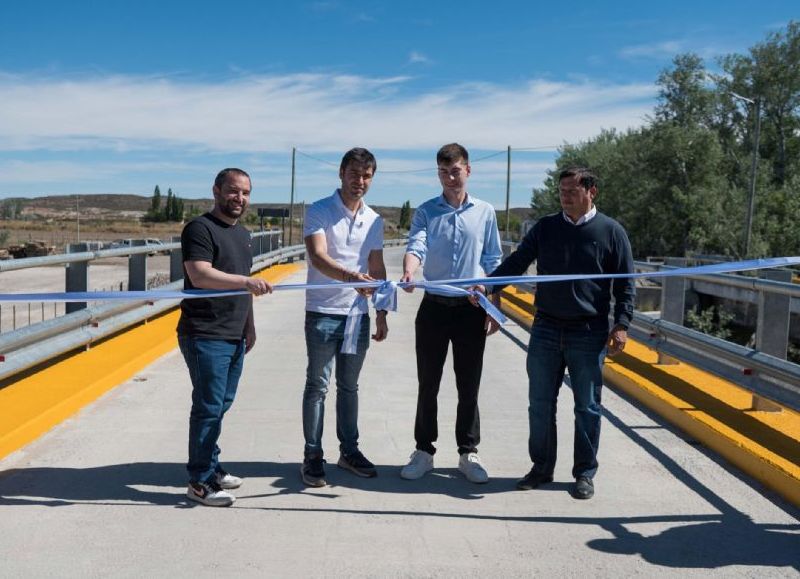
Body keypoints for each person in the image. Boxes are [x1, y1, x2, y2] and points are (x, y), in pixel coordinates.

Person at [489, 167, 635, 500]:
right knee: (539, 404)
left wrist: (622, 324)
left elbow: (626, 285)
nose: (565, 197)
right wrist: (489, 283)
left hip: (588, 332)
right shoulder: (546, 228)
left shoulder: (612, 232)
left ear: (591, 192)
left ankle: (584, 473)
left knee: (587, 406)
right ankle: (541, 468)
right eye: (561, 191)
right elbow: (518, 262)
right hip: (546, 329)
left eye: (572, 191)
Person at [399, 143, 503, 484]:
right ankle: (424, 451)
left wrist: (491, 300)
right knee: (428, 383)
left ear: (468, 170)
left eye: (455, 170)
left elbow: (492, 261)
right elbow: (417, 245)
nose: (449, 177)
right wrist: (410, 271)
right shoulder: (427, 211)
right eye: (443, 172)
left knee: (468, 385)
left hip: (470, 309)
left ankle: (467, 453)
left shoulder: (486, 212)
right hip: (434, 308)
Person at [178, 167, 273, 507]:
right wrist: (246, 283)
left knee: (220, 405)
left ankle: (212, 466)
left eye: (246, 193)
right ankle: (200, 482)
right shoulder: (199, 229)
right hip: (204, 334)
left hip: (234, 334)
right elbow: (200, 275)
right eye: (233, 191)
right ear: (216, 191)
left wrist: (249, 325)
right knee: (207, 407)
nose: (240, 198)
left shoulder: (244, 234)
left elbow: (244, 283)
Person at [300, 147, 388, 487]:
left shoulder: (375, 219)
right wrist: (352, 278)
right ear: (341, 173)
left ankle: (349, 451)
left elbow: (377, 267)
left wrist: (380, 310)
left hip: (357, 317)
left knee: (349, 387)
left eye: (367, 176)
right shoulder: (319, 211)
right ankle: (312, 456)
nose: (360, 181)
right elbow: (318, 257)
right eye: (355, 174)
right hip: (322, 313)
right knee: (317, 386)